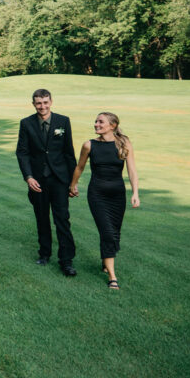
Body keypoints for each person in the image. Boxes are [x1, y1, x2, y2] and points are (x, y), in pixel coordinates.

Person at [69, 112, 140, 289]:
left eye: (101, 122)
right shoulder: (89, 145)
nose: (96, 124)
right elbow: (79, 167)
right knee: (107, 232)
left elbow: (132, 171)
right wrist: (73, 185)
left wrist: (135, 193)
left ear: (112, 125)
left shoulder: (124, 143)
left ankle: (105, 260)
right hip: (97, 194)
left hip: (117, 195)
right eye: (96, 121)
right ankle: (112, 277)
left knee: (114, 232)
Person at [15, 88, 77, 275]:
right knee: (41, 218)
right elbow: (22, 152)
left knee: (62, 220)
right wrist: (29, 177)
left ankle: (66, 261)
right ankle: (44, 253)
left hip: (59, 179)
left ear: (51, 102)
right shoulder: (26, 123)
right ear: (33, 104)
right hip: (37, 180)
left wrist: (73, 183)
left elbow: (69, 153)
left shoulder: (63, 121)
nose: (42, 106)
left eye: (45, 102)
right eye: (38, 103)